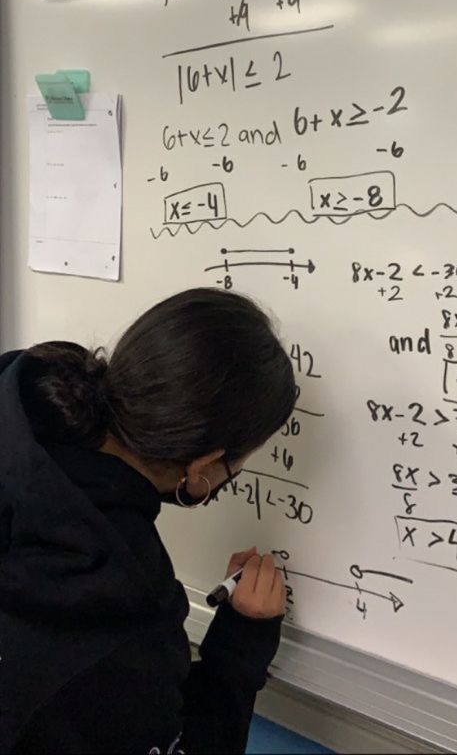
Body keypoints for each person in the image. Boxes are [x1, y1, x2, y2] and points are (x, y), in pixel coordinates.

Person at [0, 288, 296, 755]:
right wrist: (242, 644)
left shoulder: (19, 411)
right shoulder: (119, 608)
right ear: (204, 466)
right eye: (239, 467)